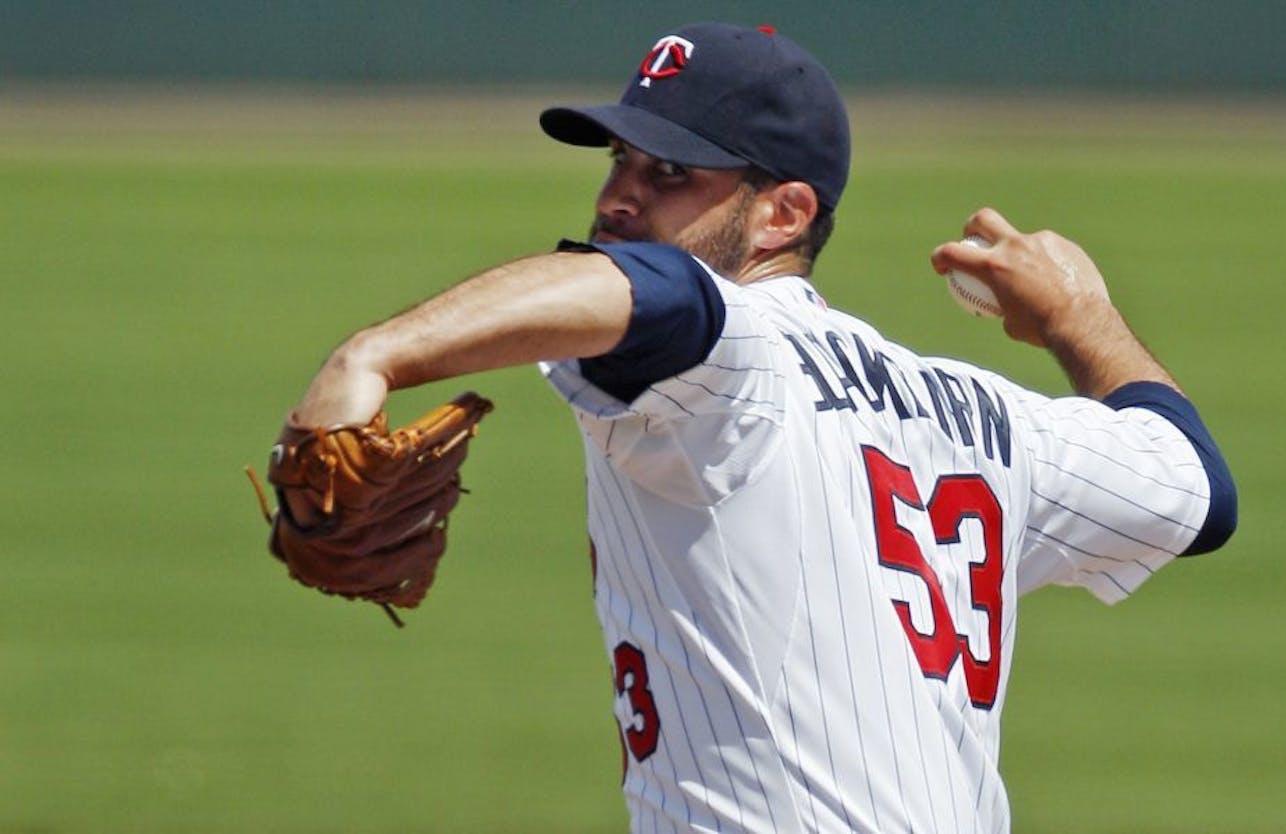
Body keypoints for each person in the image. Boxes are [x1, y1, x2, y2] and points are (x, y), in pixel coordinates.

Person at [286, 22, 1237, 834]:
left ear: (784, 213)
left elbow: (664, 298)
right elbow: (1195, 484)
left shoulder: (734, 358)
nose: (619, 196)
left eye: (668, 172)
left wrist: (373, 356)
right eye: (618, 159)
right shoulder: (990, 418)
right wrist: (1080, 318)